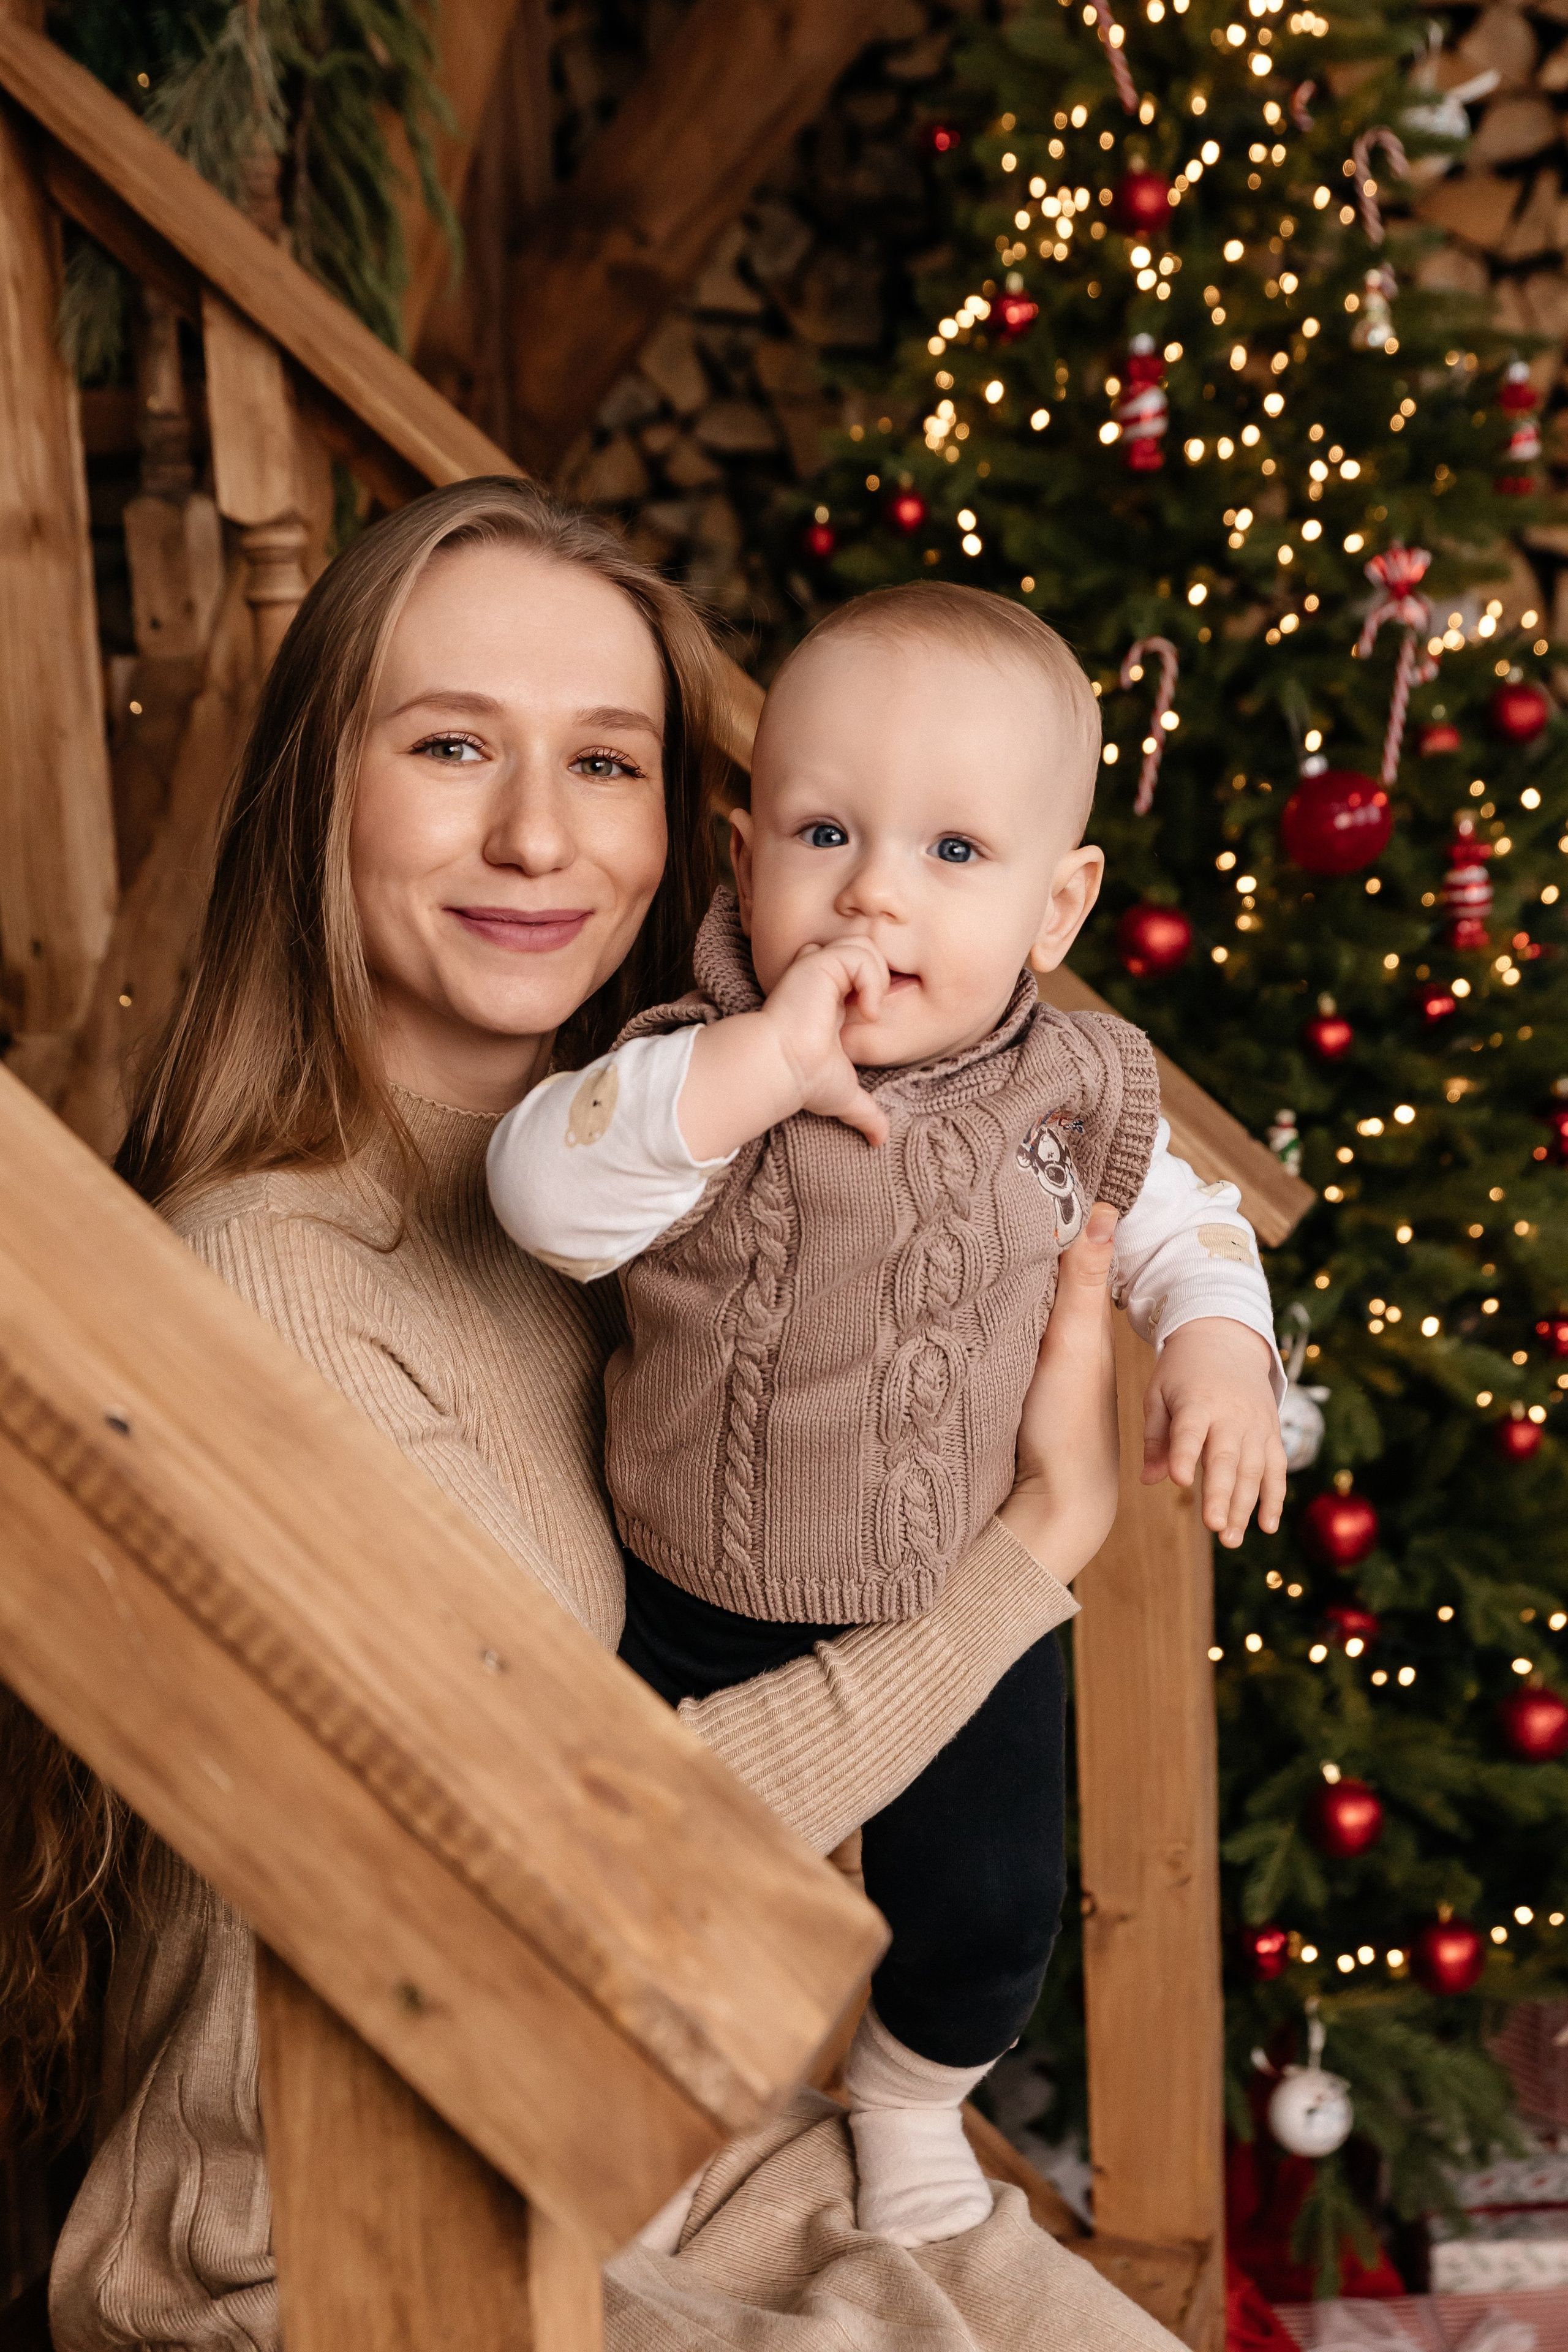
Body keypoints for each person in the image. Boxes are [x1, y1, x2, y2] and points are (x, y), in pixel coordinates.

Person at [37, 480, 1181, 2352]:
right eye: (450, 744)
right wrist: (1036, 1548)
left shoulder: (686, 1195)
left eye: (606, 758)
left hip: (668, 2143)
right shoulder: (269, 1276)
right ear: (320, 790)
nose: (536, 833)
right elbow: (563, 1862)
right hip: (335, 2234)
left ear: (686, 835)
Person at [487, 581, 1289, 2250]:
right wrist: (754, 1074)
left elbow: (1190, 1223)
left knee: (987, 1908)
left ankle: (909, 2097)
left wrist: (1218, 1344)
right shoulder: (694, 1057)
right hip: (691, 1588)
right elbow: (544, 1196)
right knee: (659, 1902)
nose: (870, 894)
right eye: (826, 831)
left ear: (1059, 906)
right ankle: (662, 2105)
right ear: (742, 856)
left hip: (955, 1592)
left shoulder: (1072, 1086)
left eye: (955, 855)